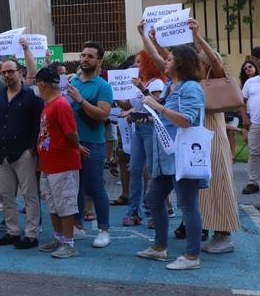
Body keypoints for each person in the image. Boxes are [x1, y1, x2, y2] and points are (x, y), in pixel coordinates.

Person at [136, 43, 206, 270]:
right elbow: (164, 116)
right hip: (167, 156)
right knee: (154, 199)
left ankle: (192, 256)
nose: (165, 62)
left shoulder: (191, 88)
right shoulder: (170, 86)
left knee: (188, 205)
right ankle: (159, 247)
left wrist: (159, 108)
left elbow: (187, 119)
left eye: (170, 59)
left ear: (181, 63)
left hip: (182, 155)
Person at [178, 19, 240, 254]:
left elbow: (214, 60)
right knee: (206, 187)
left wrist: (197, 37)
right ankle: (216, 232)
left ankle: (225, 235)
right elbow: (165, 60)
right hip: (199, 137)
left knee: (220, 184)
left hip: (213, 134)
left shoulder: (214, 77)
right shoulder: (191, 84)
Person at [0, 59, 45, 249]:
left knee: (29, 195)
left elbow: (39, 123)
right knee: (6, 196)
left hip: (24, 153)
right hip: (1, 153)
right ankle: (12, 231)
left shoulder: (31, 95)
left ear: (19, 72)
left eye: (10, 72)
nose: (6, 75)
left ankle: (31, 234)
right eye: (4, 73)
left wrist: (32, 149)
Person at [66, 42, 114, 248]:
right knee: (74, 188)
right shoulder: (72, 81)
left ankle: (104, 230)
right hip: (71, 143)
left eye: (90, 56)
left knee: (95, 188)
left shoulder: (103, 86)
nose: (84, 59)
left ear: (99, 61)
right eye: (83, 55)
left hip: (92, 144)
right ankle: (77, 226)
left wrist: (80, 100)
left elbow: (103, 115)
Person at [34, 67, 81, 259]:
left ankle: (69, 242)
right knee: (53, 204)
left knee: (65, 203)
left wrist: (77, 147)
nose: (36, 87)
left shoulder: (60, 105)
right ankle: (59, 237)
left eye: (37, 83)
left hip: (62, 163)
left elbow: (71, 133)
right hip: (49, 163)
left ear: (42, 84)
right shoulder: (49, 104)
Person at [116, 50, 166, 227]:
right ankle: (133, 212)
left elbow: (158, 105)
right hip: (138, 129)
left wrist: (141, 88)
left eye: (139, 62)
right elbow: (128, 105)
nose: (136, 65)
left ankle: (155, 212)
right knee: (135, 169)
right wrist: (115, 92)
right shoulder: (137, 83)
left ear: (149, 64)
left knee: (153, 171)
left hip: (151, 129)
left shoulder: (156, 82)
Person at [243, 59, 260, 195]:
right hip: (255, 123)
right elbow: (241, 101)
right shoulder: (250, 82)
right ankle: (252, 182)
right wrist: (244, 118)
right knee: (254, 152)